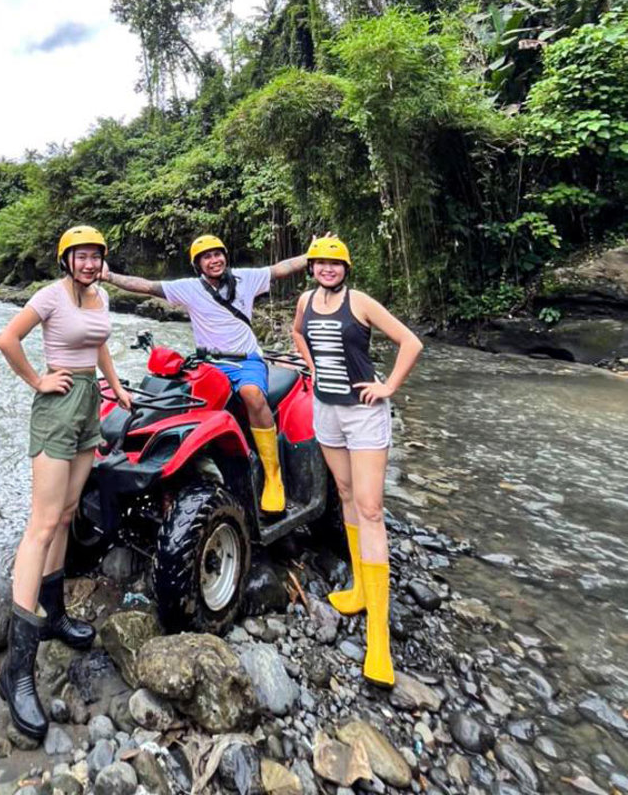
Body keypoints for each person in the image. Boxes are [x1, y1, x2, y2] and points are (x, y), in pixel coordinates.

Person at [0, 225, 132, 739]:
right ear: (66, 259)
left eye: (97, 256)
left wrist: (117, 389)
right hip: (56, 407)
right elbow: (6, 338)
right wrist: (38, 380)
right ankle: (18, 668)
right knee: (43, 522)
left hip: (90, 404)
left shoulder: (99, 298)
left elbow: (99, 348)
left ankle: (52, 615)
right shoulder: (50, 296)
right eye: (82, 256)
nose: (91, 263)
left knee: (69, 513)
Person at [291, 237, 423, 686]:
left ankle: (379, 640)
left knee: (369, 507)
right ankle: (361, 590)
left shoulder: (361, 302)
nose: (327, 269)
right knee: (344, 493)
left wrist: (388, 388)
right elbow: (296, 333)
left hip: (364, 414)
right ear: (312, 268)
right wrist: (311, 367)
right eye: (320, 263)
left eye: (335, 264)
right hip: (325, 410)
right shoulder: (306, 301)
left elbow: (411, 342)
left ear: (346, 268)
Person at [102, 234, 312, 514]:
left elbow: (280, 269)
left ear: (225, 256)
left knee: (251, 394)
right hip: (210, 363)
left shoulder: (245, 278)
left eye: (217, 254)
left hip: (246, 361)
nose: (214, 260)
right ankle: (186, 475)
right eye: (207, 257)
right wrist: (110, 276)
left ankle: (273, 475)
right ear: (198, 264)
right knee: (185, 407)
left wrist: (310, 256)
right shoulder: (190, 288)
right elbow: (147, 286)